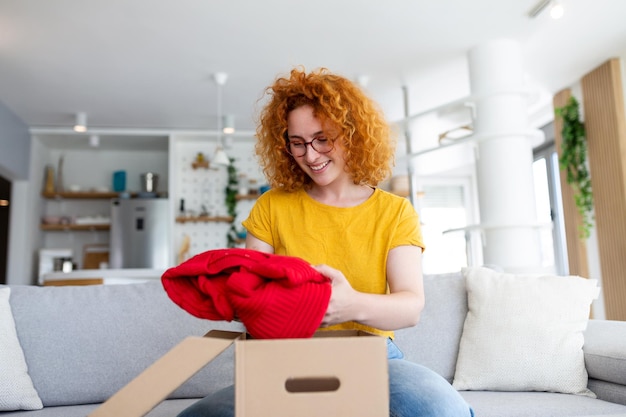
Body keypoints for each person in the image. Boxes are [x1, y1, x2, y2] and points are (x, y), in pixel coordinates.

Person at [178, 67, 474, 417]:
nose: (312, 155)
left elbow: (410, 307)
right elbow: (250, 294)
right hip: (284, 358)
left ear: (352, 133)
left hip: (372, 356)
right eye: (298, 143)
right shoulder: (271, 206)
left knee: (439, 409)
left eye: (323, 138)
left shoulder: (394, 212)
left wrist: (348, 305)